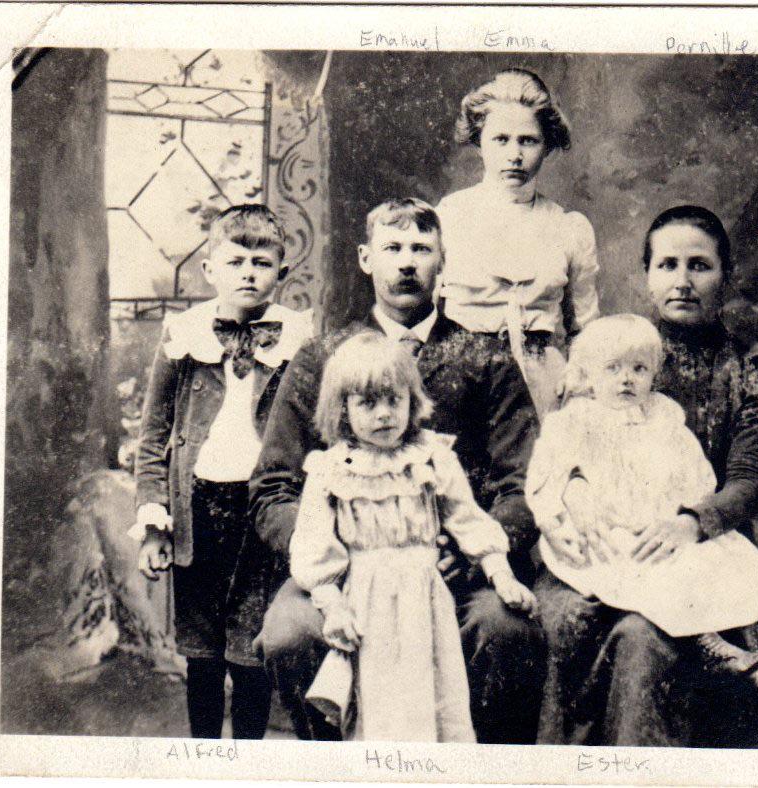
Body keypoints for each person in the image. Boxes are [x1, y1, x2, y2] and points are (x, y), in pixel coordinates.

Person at [248, 197, 544, 744]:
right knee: (289, 633)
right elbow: (273, 487)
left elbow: (524, 483)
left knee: (506, 630)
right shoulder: (320, 357)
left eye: (421, 249)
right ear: (366, 259)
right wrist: (334, 554)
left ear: (442, 261)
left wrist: (474, 556)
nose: (407, 263)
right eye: (393, 248)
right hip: (342, 568)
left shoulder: (485, 359)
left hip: (454, 568)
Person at [530, 314, 758, 746]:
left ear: (654, 374)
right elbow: (547, 476)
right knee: (641, 570)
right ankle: (705, 645)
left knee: (694, 566)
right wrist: (569, 495)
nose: (627, 380)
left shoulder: (665, 419)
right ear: (587, 373)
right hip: (607, 535)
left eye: (639, 369)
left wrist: (678, 511)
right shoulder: (576, 420)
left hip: (659, 529)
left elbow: (698, 478)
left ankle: (709, 640)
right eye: (614, 369)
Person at [289, 331, 537, 741]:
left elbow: (468, 519)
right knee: (379, 711)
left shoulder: (432, 457)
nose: (384, 414)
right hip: (365, 600)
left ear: (411, 400)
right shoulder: (331, 470)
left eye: (394, 400)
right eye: (368, 403)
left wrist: (501, 574)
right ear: (344, 409)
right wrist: (333, 605)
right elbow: (315, 548)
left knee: (436, 698)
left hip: (426, 598)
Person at [132, 204, 313, 739]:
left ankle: (249, 761)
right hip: (198, 507)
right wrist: (153, 522)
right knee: (202, 652)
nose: (248, 273)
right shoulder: (185, 334)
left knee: (252, 649)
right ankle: (205, 758)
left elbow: (312, 432)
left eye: (262, 262)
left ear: (281, 273)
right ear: (210, 269)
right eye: (235, 261)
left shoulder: (298, 340)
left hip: (263, 510)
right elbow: (153, 436)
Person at [641, 204, 758, 748]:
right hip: (631, 535)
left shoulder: (755, 363)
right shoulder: (620, 355)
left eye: (699, 266)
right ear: (646, 275)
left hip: (718, 537)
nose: (682, 281)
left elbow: (750, 475)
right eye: (667, 265)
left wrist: (694, 522)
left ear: (725, 275)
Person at [437, 68, 600, 416]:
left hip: (543, 388)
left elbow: (584, 327)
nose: (515, 154)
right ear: (479, 141)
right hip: (463, 382)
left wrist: (578, 375)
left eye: (528, 140)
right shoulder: (449, 217)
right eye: (501, 139)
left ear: (547, 146)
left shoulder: (568, 228)